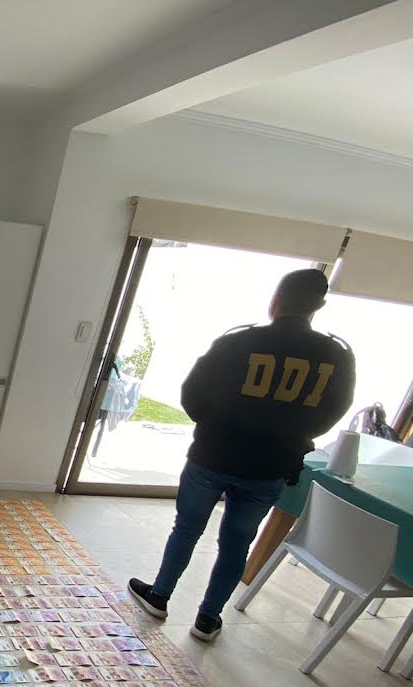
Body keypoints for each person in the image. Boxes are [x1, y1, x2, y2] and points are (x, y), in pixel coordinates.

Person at [129, 268, 355, 641]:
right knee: (237, 542)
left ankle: (159, 596)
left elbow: (192, 393)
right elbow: (333, 411)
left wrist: (214, 426)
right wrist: (292, 436)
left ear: (276, 302)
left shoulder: (238, 342)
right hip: (270, 467)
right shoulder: (336, 355)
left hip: (212, 455)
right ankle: (208, 619)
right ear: (319, 306)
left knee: (186, 529)